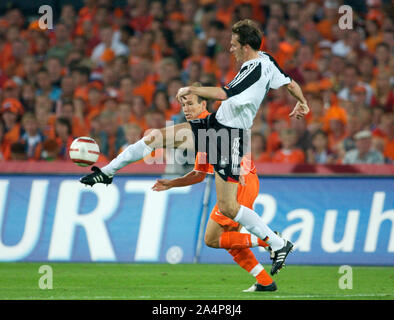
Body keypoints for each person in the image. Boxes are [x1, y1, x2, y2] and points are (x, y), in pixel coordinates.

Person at [80, 19, 309, 276]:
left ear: (246, 46)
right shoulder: (267, 60)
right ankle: (107, 172)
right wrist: (302, 102)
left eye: (234, 45)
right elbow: (290, 83)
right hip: (217, 126)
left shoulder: (254, 68)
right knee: (155, 137)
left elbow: (224, 94)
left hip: (228, 136)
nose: (230, 49)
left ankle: (278, 244)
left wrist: (191, 88)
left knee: (229, 208)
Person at [152, 85, 276, 292]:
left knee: (212, 238)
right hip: (240, 181)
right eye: (183, 104)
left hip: (239, 182)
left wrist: (237, 173)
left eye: (190, 103)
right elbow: (198, 174)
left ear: (203, 103)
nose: (186, 108)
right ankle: (265, 281)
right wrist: (171, 183)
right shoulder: (200, 130)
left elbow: (236, 150)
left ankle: (270, 240)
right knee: (229, 240)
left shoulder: (216, 124)